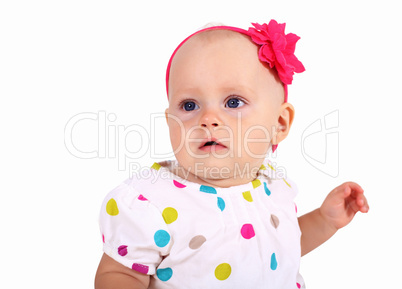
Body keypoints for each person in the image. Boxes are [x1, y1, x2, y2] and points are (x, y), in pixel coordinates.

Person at [94, 20, 369, 289]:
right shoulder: (151, 203)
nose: (209, 119)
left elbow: (282, 247)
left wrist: (324, 220)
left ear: (280, 124)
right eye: (189, 105)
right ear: (171, 123)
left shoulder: (275, 189)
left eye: (233, 102)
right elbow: (120, 273)